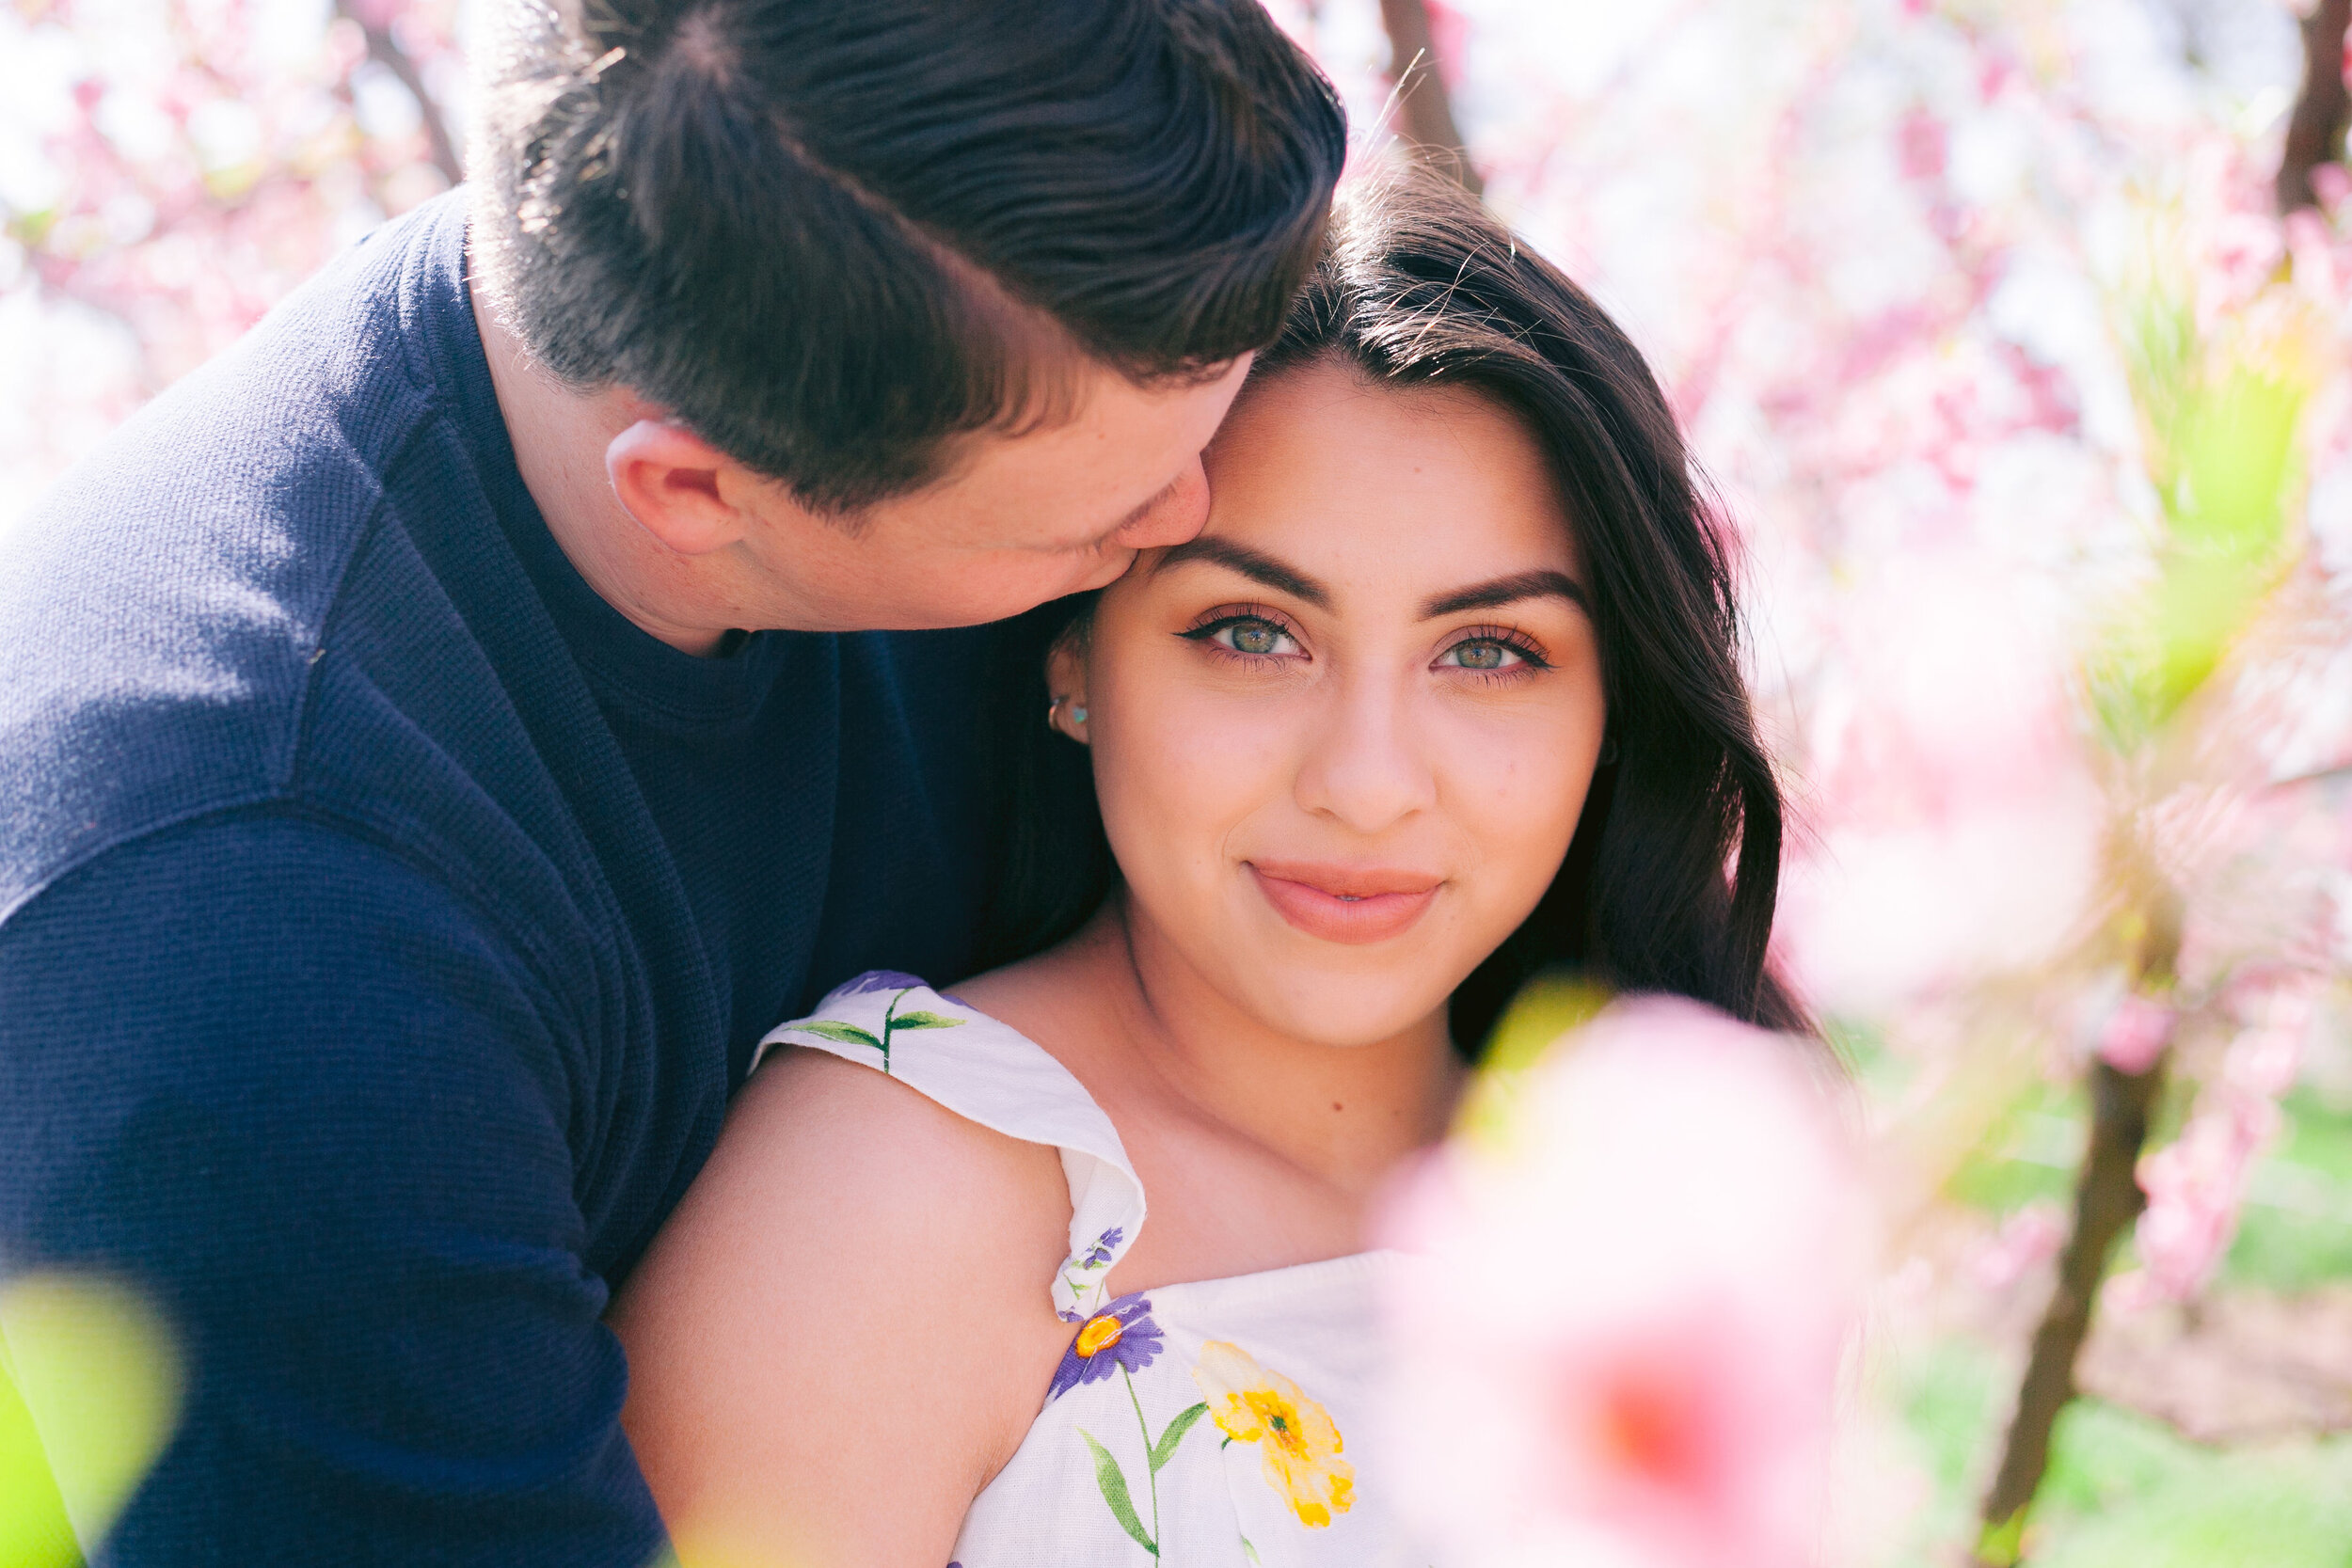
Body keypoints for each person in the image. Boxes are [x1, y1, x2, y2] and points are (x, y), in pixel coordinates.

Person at [0, 2, 1343, 1560]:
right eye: (1099, 520)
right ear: (694, 490)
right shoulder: (263, 949)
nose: (1196, 515)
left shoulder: (868, 287)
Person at [612, 166, 1809, 1568]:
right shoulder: (894, 1203)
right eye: (1251, 631)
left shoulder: (1671, 1196)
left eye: (1489, 653)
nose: (1365, 785)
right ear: (1074, 660)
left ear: (1612, 716)